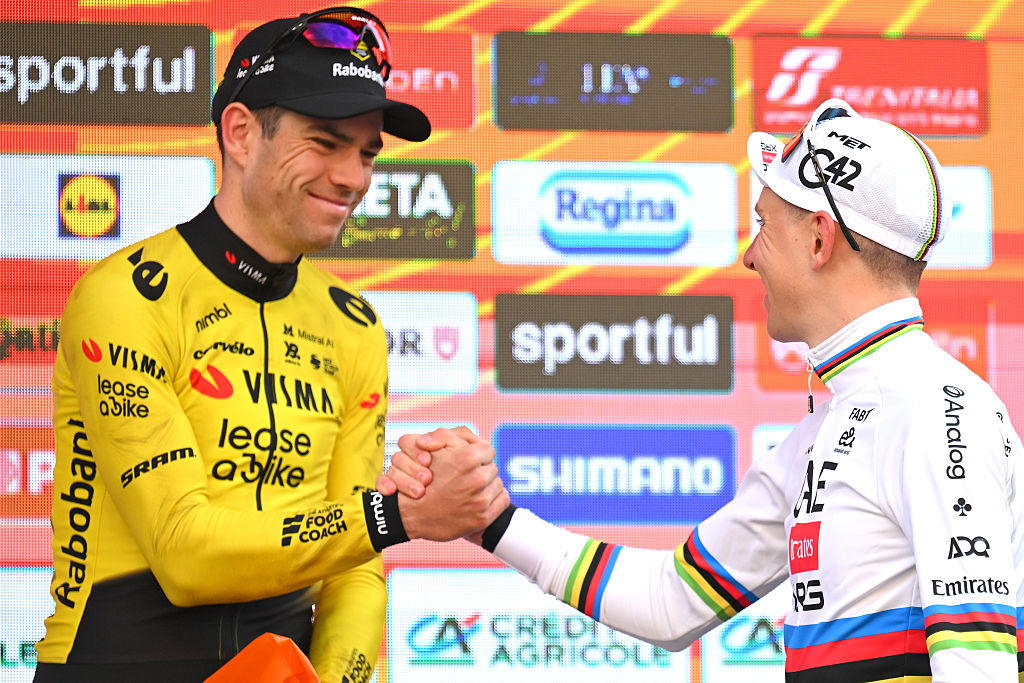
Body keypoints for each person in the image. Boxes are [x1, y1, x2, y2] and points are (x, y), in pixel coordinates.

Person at [380, 98, 1024, 681]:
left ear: (820, 239)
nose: (750, 254)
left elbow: (980, 665)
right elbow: (670, 601)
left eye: (764, 225)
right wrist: (492, 521)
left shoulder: (938, 408)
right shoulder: (827, 432)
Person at [35, 8, 508, 682]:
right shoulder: (125, 296)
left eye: (367, 152)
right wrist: (399, 514)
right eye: (325, 142)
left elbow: (357, 572)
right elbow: (185, 552)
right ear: (240, 133)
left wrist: (336, 677)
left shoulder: (353, 323)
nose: (353, 177)